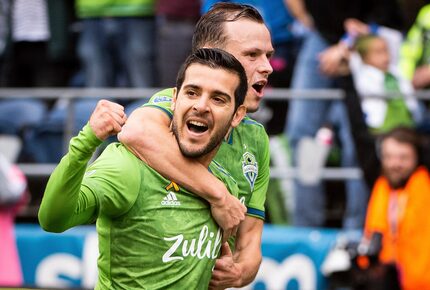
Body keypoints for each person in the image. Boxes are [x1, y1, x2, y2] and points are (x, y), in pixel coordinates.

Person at [38, 48, 248, 289]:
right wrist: (85, 142)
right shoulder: (127, 167)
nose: (201, 106)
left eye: (218, 99)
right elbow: (53, 219)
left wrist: (226, 274)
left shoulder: (226, 188)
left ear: (237, 115)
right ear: (174, 99)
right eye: (192, 93)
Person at [118, 3, 274, 288]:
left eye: (268, 55)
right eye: (252, 55)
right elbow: (135, 131)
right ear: (216, 56)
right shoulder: (181, 105)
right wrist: (220, 196)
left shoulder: (256, 140)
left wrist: (239, 274)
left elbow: (251, 244)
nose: (267, 67)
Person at [283, 0, 402, 229]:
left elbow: (385, 15)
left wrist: (348, 44)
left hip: (367, 42)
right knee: (303, 137)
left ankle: (357, 232)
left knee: (358, 143)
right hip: (320, 40)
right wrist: (308, 22)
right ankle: (307, 231)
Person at [363, 126, 430, 290]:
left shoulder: (425, 181)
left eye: (403, 157)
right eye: (389, 157)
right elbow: (359, 135)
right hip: (387, 278)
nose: (395, 164)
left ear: (417, 157)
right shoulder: (381, 185)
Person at [350, 32, 422, 134]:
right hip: (379, 127)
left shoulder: (396, 73)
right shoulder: (363, 76)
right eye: (378, 52)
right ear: (364, 57)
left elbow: (395, 37)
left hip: (407, 124)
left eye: (386, 50)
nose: (385, 56)